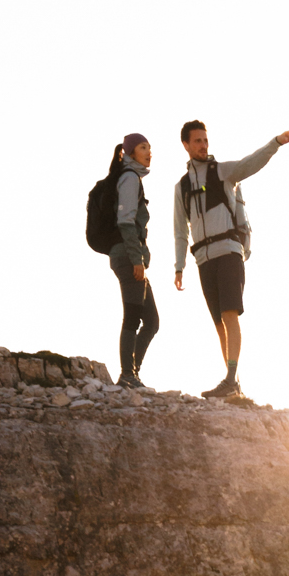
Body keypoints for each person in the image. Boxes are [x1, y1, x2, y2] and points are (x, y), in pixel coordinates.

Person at [174, 119, 289, 400]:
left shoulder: (223, 171)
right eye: (197, 141)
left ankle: (229, 378)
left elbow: (251, 163)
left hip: (228, 251)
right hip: (203, 258)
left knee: (229, 314)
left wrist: (275, 142)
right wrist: (179, 266)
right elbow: (180, 230)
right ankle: (232, 380)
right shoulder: (181, 187)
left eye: (205, 140)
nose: (203, 145)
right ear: (186, 145)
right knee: (218, 322)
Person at [105, 132, 158, 387]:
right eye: (143, 147)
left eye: (149, 147)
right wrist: (137, 260)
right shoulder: (129, 178)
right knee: (134, 317)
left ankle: (131, 373)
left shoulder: (132, 178)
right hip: (128, 257)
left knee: (152, 321)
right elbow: (125, 222)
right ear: (130, 152)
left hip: (130, 256)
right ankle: (127, 375)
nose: (149, 152)